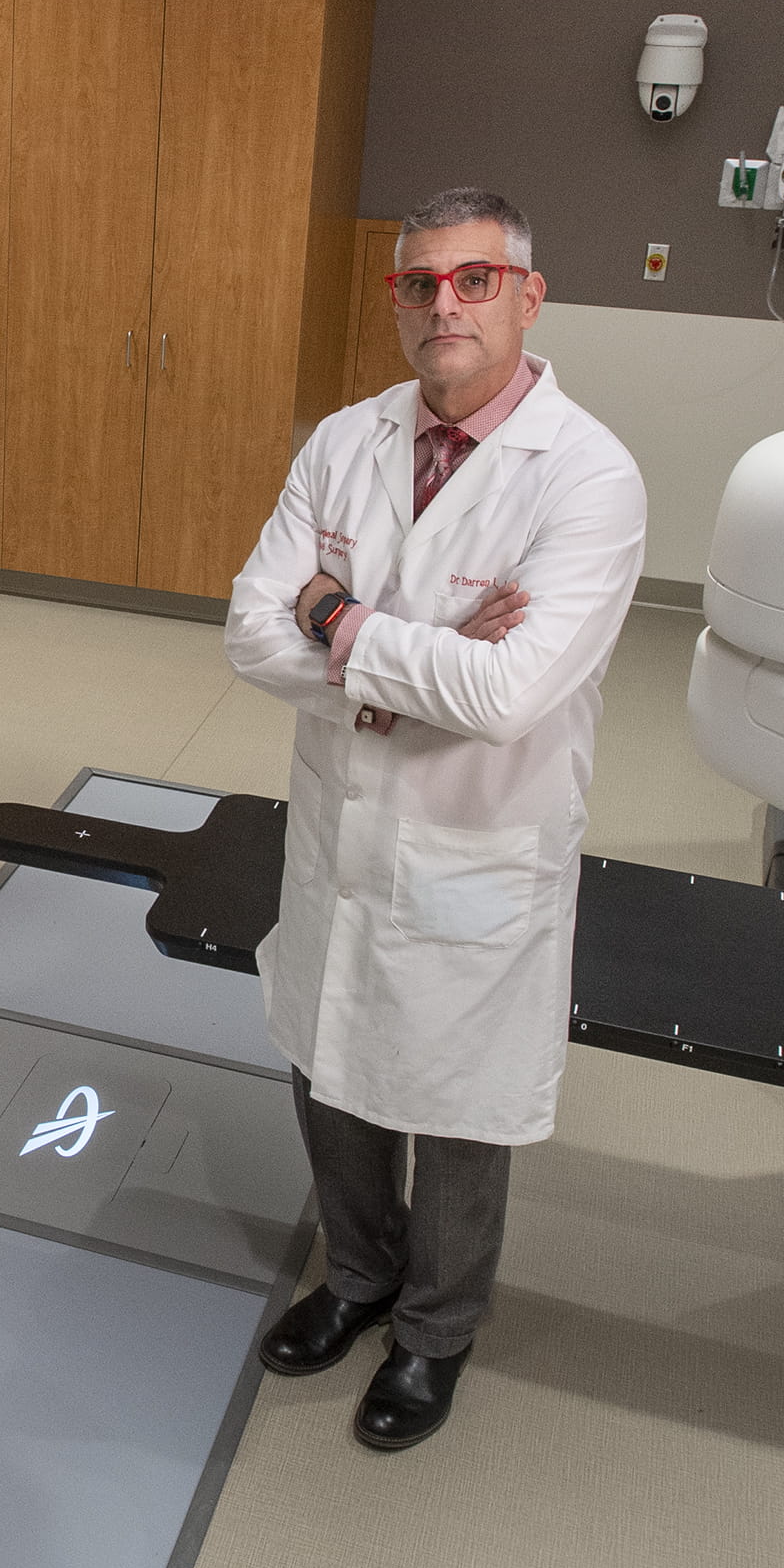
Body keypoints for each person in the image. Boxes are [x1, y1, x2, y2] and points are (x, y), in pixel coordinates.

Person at [225, 186, 646, 1452]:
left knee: (458, 1108)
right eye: (419, 283)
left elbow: (510, 693)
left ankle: (434, 1332)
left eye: (472, 280)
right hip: (341, 829)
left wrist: (341, 620)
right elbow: (250, 631)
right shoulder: (343, 442)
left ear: (528, 296)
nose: (442, 305)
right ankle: (357, 1280)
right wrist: (426, 654)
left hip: (476, 845)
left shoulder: (589, 478)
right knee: (329, 1064)